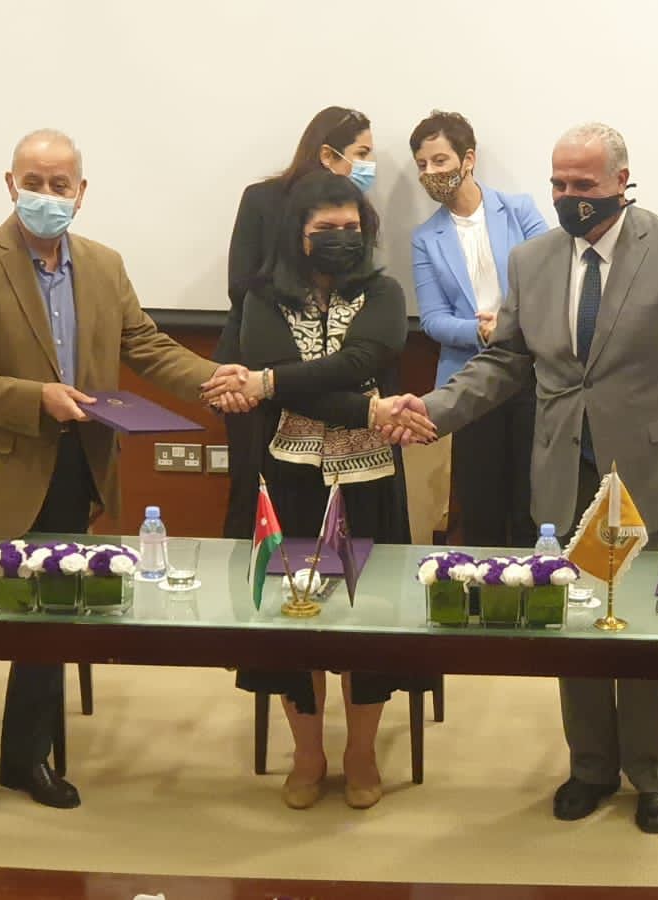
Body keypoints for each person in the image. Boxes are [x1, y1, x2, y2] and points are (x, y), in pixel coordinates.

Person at [378, 123, 658, 834]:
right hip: (563, 473)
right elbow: (505, 362)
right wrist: (436, 410)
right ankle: (591, 766)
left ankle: (656, 773)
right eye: (559, 184)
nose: (570, 196)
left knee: (650, 629)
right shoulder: (534, 259)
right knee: (574, 624)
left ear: (620, 181)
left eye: (584, 184)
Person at [0, 128, 250, 814]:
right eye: (33, 183)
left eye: (60, 184)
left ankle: (25, 758)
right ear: (10, 184)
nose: (46, 196)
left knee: (53, 616)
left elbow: (146, 345)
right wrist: (33, 397)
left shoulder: (103, 265)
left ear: (81, 192)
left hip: (78, 468)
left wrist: (213, 378)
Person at [203, 172, 432, 811]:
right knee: (291, 617)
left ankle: (360, 751)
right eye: (325, 228)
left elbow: (358, 363)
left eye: (351, 228)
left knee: (372, 621)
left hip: (370, 482)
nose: (341, 238)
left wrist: (271, 383)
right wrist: (363, 408)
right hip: (290, 479)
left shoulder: (384, 293)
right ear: (297, 235)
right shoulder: (259, 298)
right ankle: (308, 752)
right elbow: (299, 386)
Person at [218, 107, 379, 539]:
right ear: (327, 153)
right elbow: (240, 283)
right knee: (256, 490)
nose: (369, 165)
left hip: (334, 371)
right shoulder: (262, 198)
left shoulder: (356, 211)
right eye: (361, 153)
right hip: (256, 361)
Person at [410, 110, 548, 547]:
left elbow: (550, 279)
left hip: (533, 372)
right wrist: (481, 332)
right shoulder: (425, 237)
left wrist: (508, 323)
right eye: (422, 165)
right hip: (470, 381)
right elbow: (433, 319)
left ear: (468, 159)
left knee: (533, 505)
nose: (430, 173)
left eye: (440, 160)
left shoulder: (520, 210)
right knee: (480, 507)